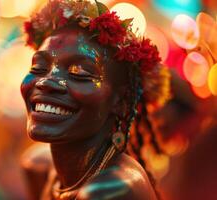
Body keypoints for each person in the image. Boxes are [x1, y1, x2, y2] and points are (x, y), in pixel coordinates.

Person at [20, 1, 170, 199]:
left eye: (79, 73)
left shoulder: (111, 190)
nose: (46, 82)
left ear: (121, 101)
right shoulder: (38, 166)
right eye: (38, 68)